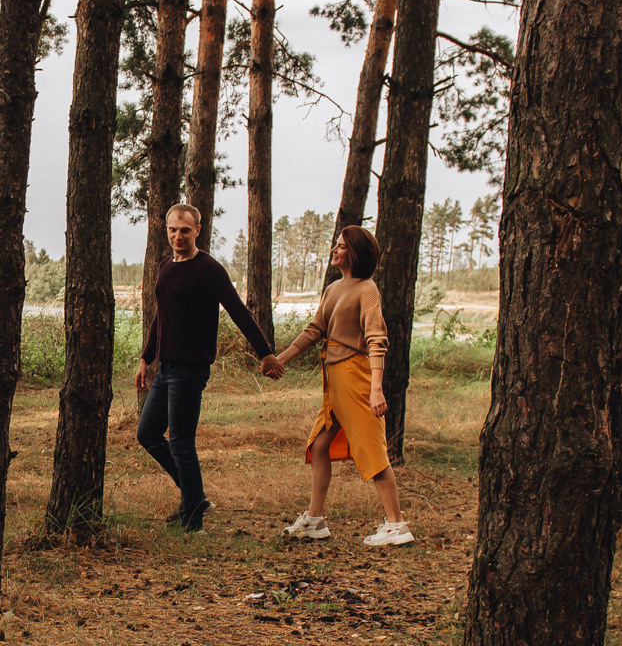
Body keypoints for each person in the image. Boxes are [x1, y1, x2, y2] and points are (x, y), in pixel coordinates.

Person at [259, 226, 415, 546]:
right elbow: (315, 329)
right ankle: (315, 521)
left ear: (354, 253)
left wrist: (376, 388)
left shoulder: (367, 290)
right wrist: (280, 360)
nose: (334, 249)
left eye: (341, 246)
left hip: (356, 377)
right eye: (336, 245)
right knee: (319, 446)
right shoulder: (333, 288)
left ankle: (396, 525)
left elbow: (376, 340)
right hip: (334, 379)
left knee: (371, 449)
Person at [137, 202, 278, 532]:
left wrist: (265, 353)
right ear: (166, 230)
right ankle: (195, 498)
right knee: (147, 434)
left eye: (185, 230)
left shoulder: (208, 269)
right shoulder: (165, 266)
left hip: (190, 370)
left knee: (182, 443)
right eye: (173, 230)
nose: (178, 236)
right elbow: (161, 316)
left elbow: (238, 310)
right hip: (166, 368)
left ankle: (194, 520)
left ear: (197, 231)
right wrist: (146, 358)